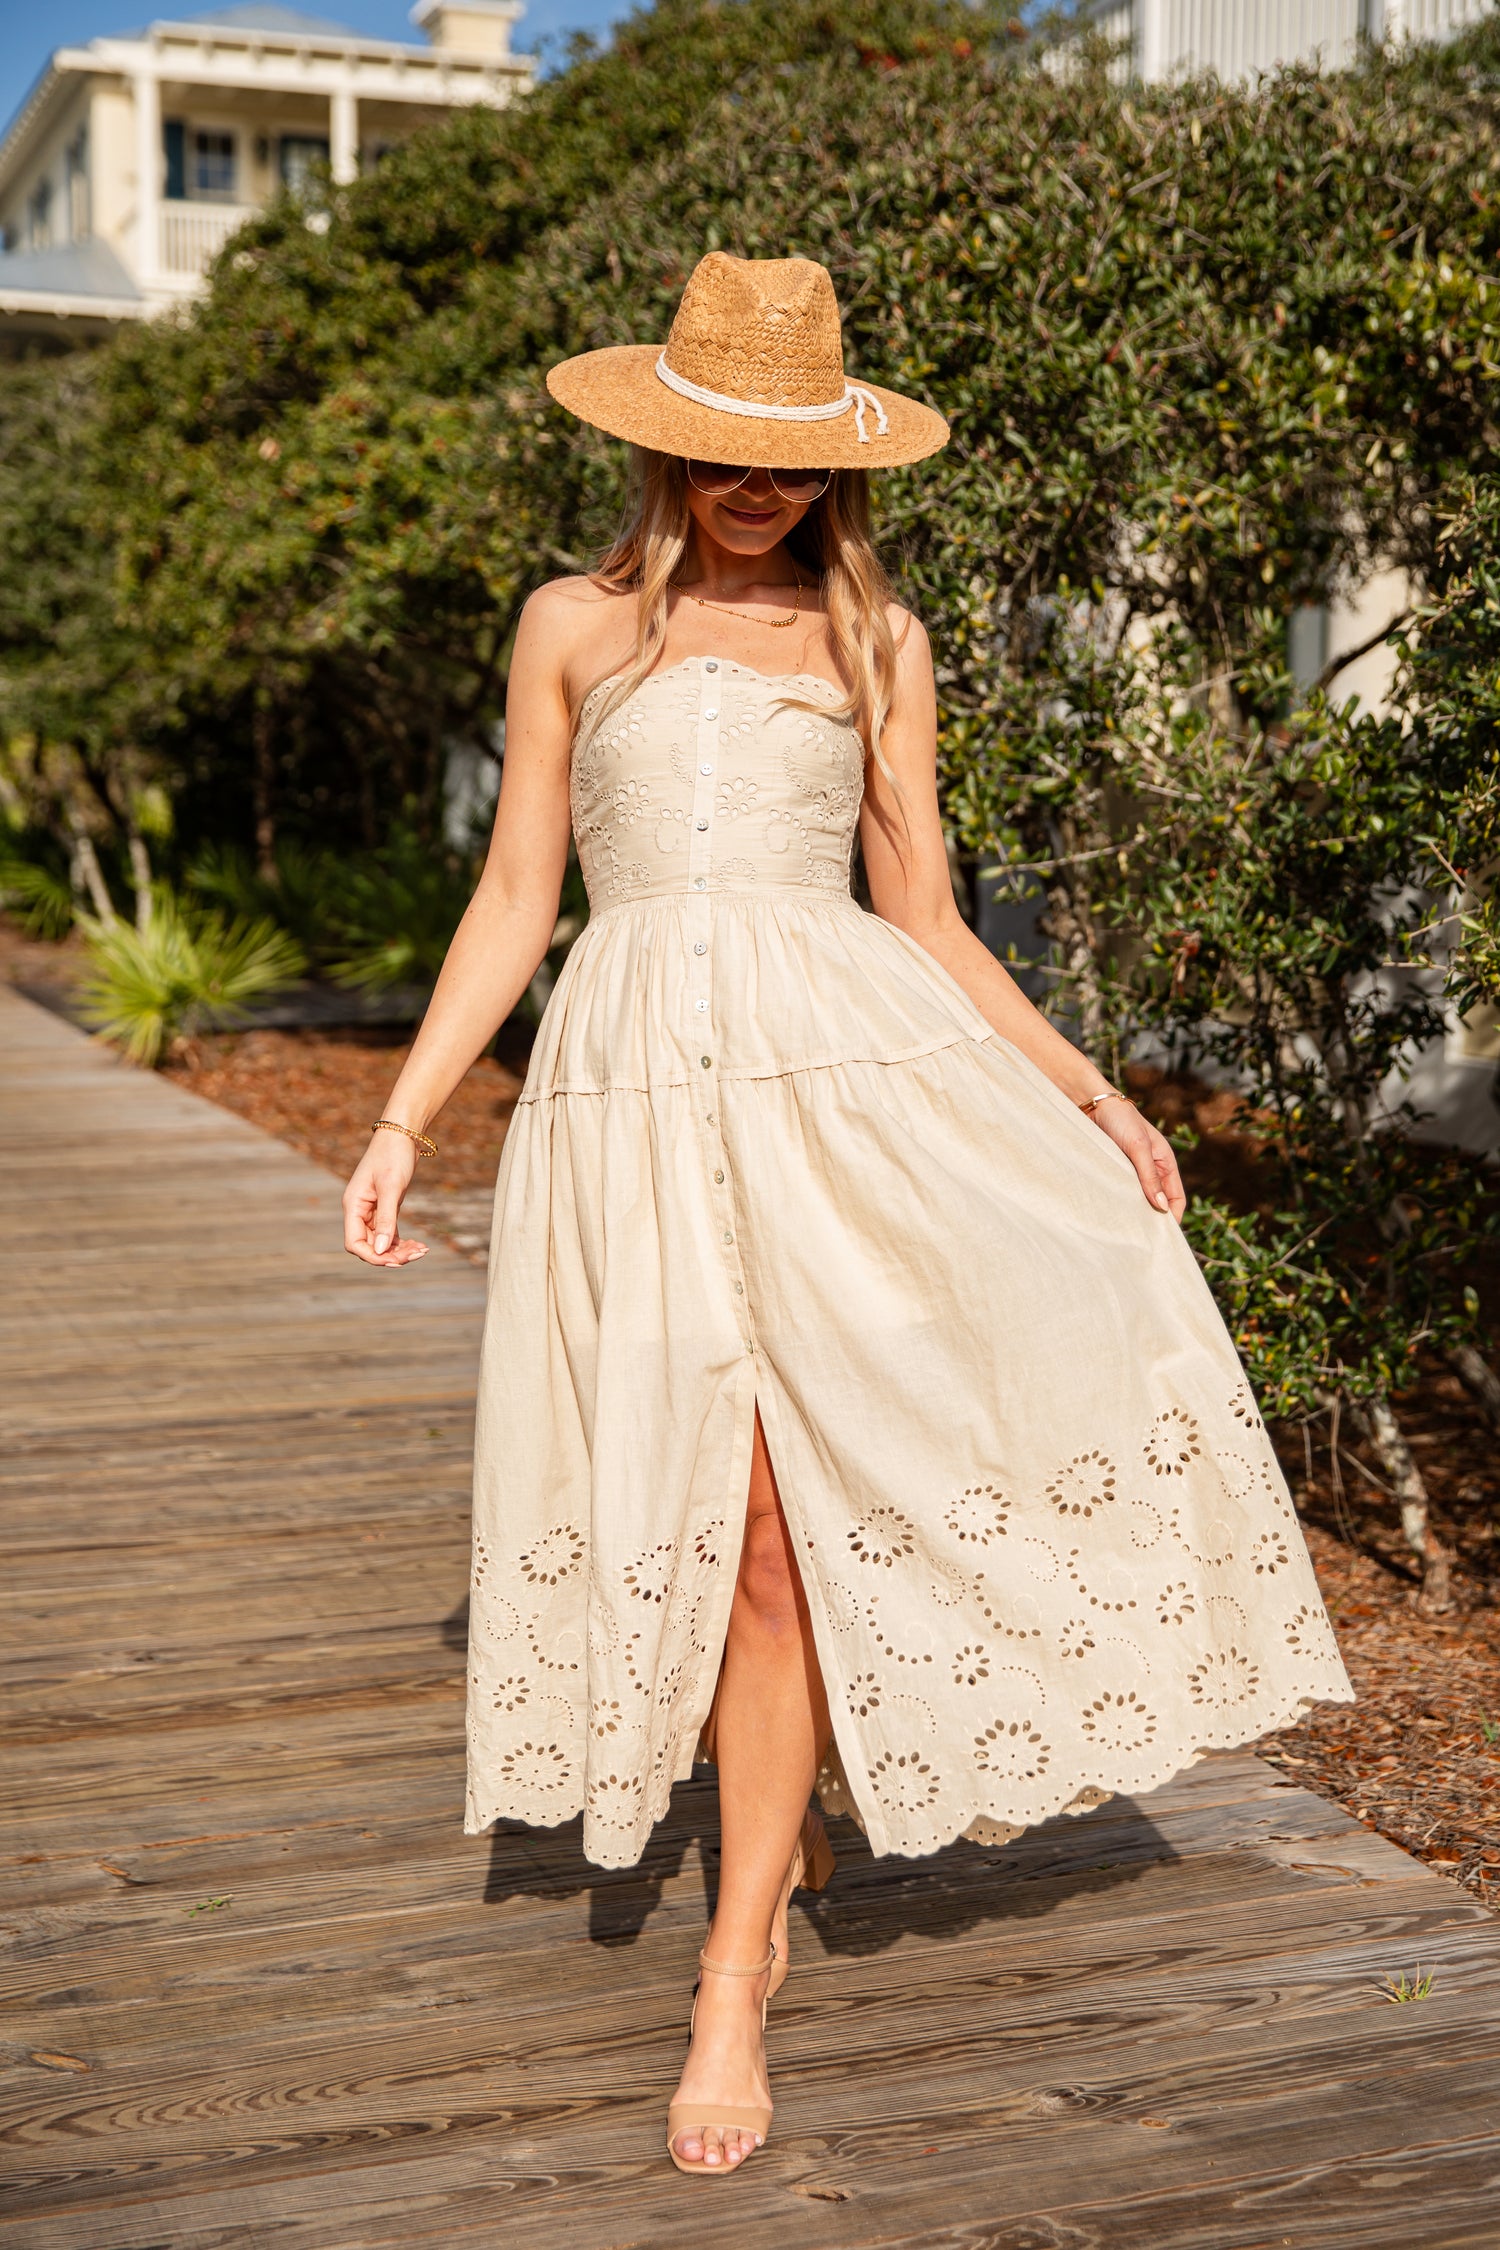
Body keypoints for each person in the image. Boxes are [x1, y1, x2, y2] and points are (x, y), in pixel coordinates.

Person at [342, 252, 1353, 2179]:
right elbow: (515, 895)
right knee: (696, 1505)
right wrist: (402, 1115)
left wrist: (1087, 1088)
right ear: (664, 441)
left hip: (838, 1097)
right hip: (630, 1103)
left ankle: (736, 1966)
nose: (756, 489)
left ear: (836, 468)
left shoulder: (880, 643)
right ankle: (770, 1812)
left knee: (790, 1535)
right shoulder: (571, 625)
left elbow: (929, 913)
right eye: (723, 453)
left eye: (790, 462)